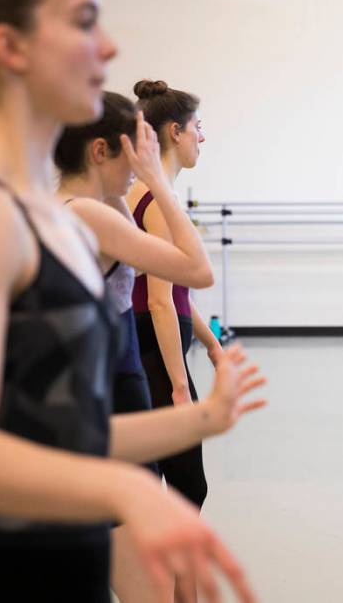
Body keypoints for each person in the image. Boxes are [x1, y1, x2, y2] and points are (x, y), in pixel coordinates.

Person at [0, 0, 262, 600]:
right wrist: (124, 485)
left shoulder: (53, 216)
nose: (111, 44)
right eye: (85, 21)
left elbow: (57, 433)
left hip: (67, 565)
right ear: (10, 45)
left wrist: (197, 418)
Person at [55, 92, 263, 602]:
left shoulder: (84, 209)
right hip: (109, 388)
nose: (138, 166)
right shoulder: (88, 214)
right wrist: (157, 183)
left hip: (106, 391)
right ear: (100, 152)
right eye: (132, 155)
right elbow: (195, 272)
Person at [128, 79, 222, 514]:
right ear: (173, 132)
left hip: (147, 350)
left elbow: (173, 290)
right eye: (197, 128)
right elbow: (160, 301)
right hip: (156, 357)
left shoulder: (144, 195)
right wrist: (179, 385)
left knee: (156, 484)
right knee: (187, 488)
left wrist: (211, 342)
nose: (202, 138)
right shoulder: (157, 203)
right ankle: (175, 582)